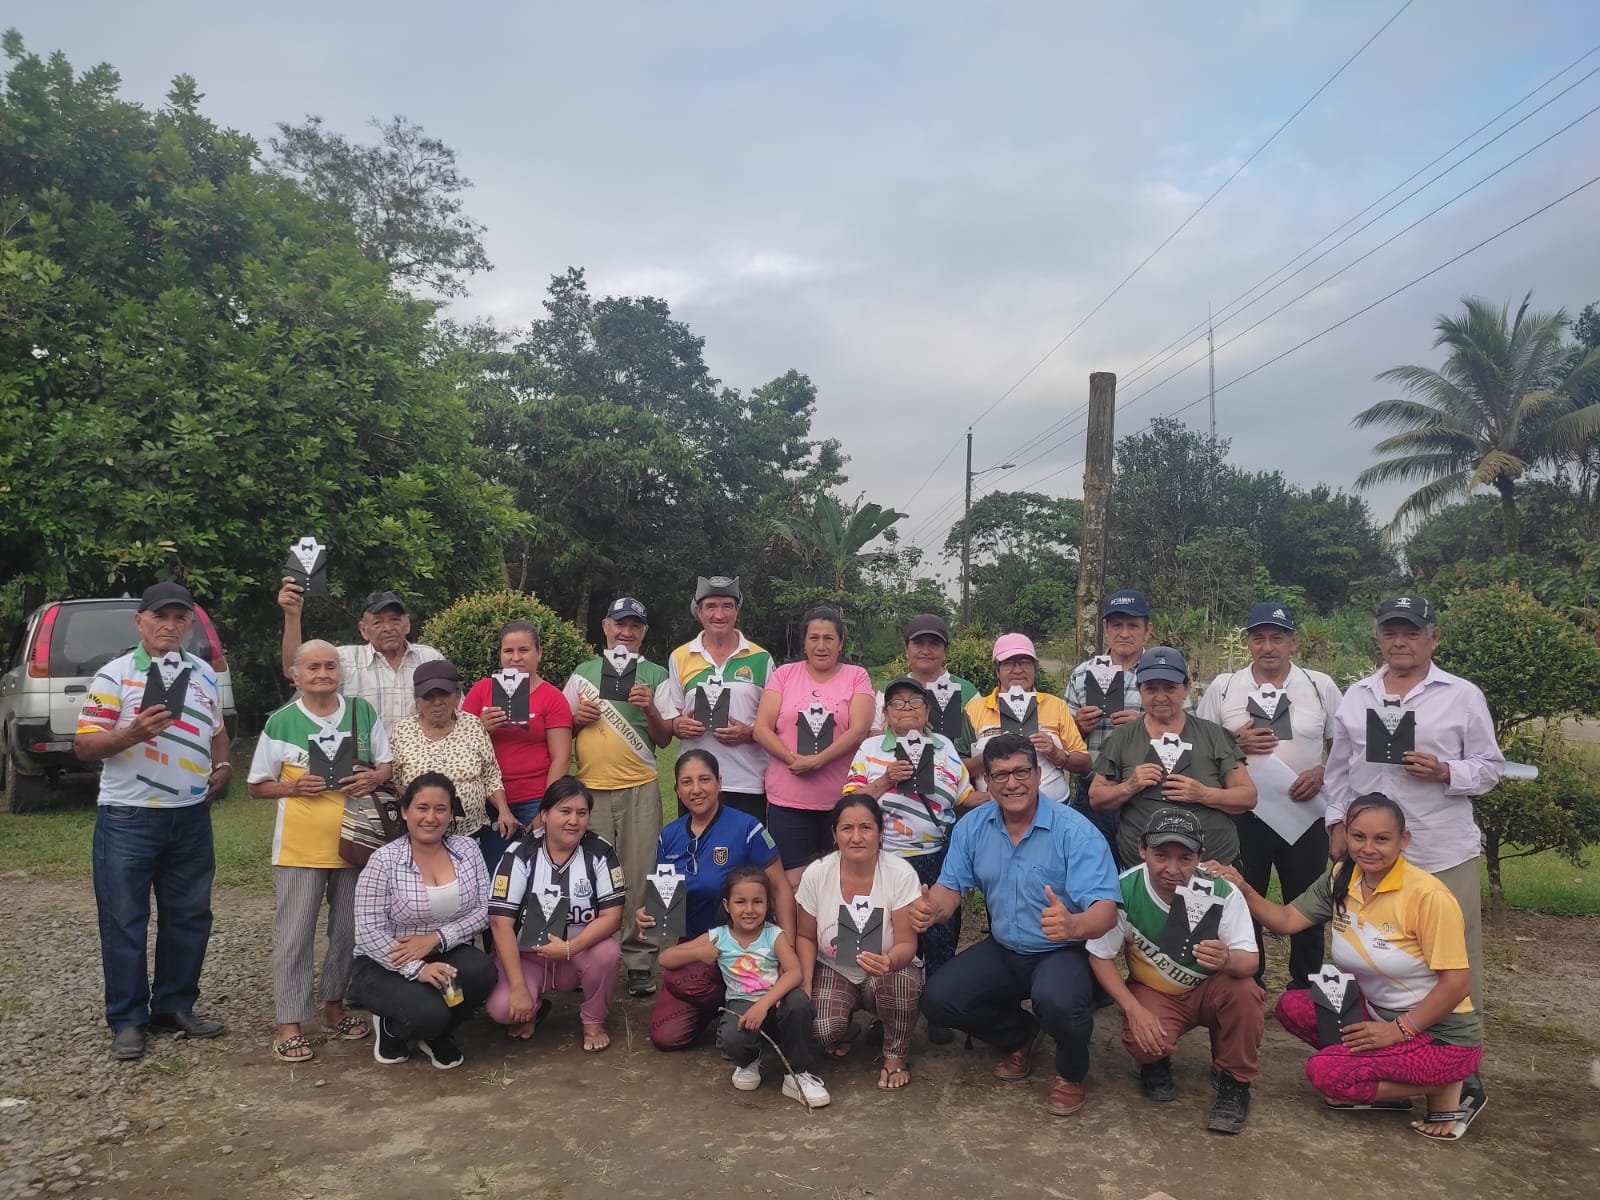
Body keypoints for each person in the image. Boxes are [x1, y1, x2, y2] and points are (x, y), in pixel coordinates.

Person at [1206, 793, 1484, 1141]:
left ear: (1404, 840)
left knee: (1328, 1075)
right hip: (1378, 1014)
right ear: (1345, 835)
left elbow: (1457, 984)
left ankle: (1445, 1083)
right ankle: (1388, 1078)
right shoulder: (1342, 876)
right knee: (1293, 1006)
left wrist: (1397, 1030)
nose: (1368, 848)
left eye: (1382, 839)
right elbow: (1287, 920)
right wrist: (1243, 888)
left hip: (1441, 1037)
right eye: (1358, 836)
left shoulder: (1429, 896)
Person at [912, 733, 1121, 1117]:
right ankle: (1020, 1034)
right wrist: (932, 909)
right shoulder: (972, 827)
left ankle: (1071, 1072)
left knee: (1059, 1002)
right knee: (939, 999)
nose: (1012, 784)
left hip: (1063, 950)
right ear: (987, 782)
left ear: (1038, 775)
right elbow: (949, 889)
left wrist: (1074, 925)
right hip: (1005, 947)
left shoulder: (1074, 830)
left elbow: (1106, 910)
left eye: (1022, 772)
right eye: (1000, 775)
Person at [1324, 594, 1503, 1020]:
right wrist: (1337, 824)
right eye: (1390, 633)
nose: (1400, 642)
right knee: (1361, 943)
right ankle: (1363, 1034)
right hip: (1369, 851)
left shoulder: (1462, 696)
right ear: (1378, 637)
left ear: (1433, 638)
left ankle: (1457, 1046)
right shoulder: (1357, 696)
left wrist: (1445, 771)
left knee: (1453, 952)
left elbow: (1491, 767)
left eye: (1412, 633)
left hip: (1439, 849)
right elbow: (1339, 770)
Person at [75, 582, 233, 1062]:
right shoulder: (115, 675)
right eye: (160, 616)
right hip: (129, 815)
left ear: (190, 625)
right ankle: (127, 1020)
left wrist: (223, 765)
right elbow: (84, 745)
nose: (170, 625)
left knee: (189, 915)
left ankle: (174, 1006)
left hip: (190, 815)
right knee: (125, 919)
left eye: (179, 618)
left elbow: (218, 730)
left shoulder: (202, 673)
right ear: (139, 621)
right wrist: (131, 733)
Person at [247, 640, 392, 1062]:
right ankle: (289, 1023)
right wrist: (292, 787)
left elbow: (386, 764)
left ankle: (334, 1007)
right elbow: (256, 786)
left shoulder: (362, 712)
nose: (323, 673)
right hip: (299, 848)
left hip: (356, 843)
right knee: (294, 934)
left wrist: (373, 778)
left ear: (340, 673)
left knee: (348, 930)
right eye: (313, 667)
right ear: (295, 675)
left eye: (330, 666)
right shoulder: (281, 722)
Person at [1086, 808, 1263, 1134]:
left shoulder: (1221, 890)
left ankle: (1235, 1081)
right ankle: (1154, 1062)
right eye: (1161, 855)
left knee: (1245, 992)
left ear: (1200, 856)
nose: (1172, 868)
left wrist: (1227, 959)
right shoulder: (1124, 889)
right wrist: (1133, 1009)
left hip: (1211, 988)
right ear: (1142, 849)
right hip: (1155, 991)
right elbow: (1100, 955)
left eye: (1185, 858)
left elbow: (1250, 961)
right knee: (1143, 1041)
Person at [1196, 602, 1343, 988]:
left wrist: (1323, 772)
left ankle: (1305, 988)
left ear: (1294, 640)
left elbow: (1344, 746)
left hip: (1304, 812)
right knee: (1243, 900)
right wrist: (1234, 742)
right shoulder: (1225, 686)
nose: (1267, 647)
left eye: (1277, 638)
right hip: (1244, 815)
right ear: (1247, 642)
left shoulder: (1319, 686)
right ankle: (1250, 984)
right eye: (1258, 638)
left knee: (1308, 903)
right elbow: (1199, 745)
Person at [845, 675, 978, 1043]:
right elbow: (850, 804)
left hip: (936, 856)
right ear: (886, 713)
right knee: (886, 935)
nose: (906, 708)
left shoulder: (945, 746)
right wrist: (886, 780)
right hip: (886, 859)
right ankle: (883, 1011)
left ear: (927, 711)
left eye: (914, 702)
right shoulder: (871, 748)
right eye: (897, 703)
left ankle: (938, 1008)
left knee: (940, 935)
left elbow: (964, 797)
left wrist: (1003, 797)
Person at [642, 750, 796, 1051]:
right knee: (666, 1036)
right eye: (686, 782)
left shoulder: (747, 828)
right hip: (700, 945)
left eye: (704, 780)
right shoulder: (669, 835)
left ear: (719, 783)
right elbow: (664, 901)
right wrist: (647, 915)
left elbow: (780, 888)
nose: (696, 789)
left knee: (692, 983)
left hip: (748, 944)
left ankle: (752, 1011)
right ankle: (729, 1007)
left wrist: (785, 948)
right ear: (676, 789)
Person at [347, 773, 498, 1069]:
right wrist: (418, 969)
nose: (431, 817)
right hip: (386, 961)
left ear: (451, 814)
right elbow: (367, 932)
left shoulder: (467, 849)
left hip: (443, 949)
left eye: (441, 809)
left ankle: (438, 1032)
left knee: (482, 973)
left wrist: (438, 939)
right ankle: (392, 1029)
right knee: (428, 1013)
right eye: (422, 808)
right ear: (405, 811)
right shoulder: (384, 861)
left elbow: (485, 909)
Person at [560, 597, 671, 998]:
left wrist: (651, 709)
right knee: (589, 877)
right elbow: (561, 730)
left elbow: (665, 737)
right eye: (619, 624)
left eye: (634, 626)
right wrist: (577, 720)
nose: (626, 632)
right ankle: (589, 956)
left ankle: (640, 961)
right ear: (606, 628)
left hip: (640, 785)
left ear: (644, 632)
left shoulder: (656, 674)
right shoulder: (583, 673)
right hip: (589, 789)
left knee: (641, 876)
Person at [660, 866, 828, 1107]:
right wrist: (697, 953)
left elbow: (795, 972)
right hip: (741, 1004)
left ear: (768, 904)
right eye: (740, 902)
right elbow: (665, 958)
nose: (749, 910)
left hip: (776, 1002)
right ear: (727, 906)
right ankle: (749, 1059)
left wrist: (763, 1004)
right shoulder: (718, 936)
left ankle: (797, 1073)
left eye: (758, 902)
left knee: (798, 1002)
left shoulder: (774, 935)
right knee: (731, 1036)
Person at [485, 776, 624, 1052]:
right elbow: (500, 924)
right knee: (503, 1008)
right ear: (545, 814)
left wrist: (571, 947)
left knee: (608, 952)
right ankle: (533, 1007)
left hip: (579, 953)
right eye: (565, 811)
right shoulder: (519, 854)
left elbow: (613, 917)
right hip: (527, 958)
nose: (574, 820)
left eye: (581, 813)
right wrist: (518, 988)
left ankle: (593, 1020)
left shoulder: (600, 851)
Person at [796, 795, 923, 1090]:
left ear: (880, 832)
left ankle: (895, 1056)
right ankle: (845, 1029)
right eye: (846, 828)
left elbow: (907, 941)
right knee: (822, 1029)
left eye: (865, 827)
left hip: (886, 969)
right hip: (834, 967)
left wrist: (890, 961)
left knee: (902, 984)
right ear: (834, 834)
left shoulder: (900, 873)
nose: (856, 837)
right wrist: (805, 980)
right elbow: (805, 935)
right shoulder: (817, 873)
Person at [1090, 646, 1257, 870]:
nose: (1160, 697)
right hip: (1143, 868)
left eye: (1170, 688)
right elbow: (1097, 798)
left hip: (1211, 866)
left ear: (1186, 688)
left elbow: (1247, 796)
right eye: (1151, 688)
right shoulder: (1123, 737)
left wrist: (1203, 794)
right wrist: (1130, 786)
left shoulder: (1213, 735)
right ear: (1140, 689)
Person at [1063, 588, 1190, 858]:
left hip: (1149, 793)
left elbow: (1190, 733)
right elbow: (1064, 739)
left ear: (1147, 630)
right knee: (1093, 866)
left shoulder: (1165, 673)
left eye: (1133, 625)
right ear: (1105, 628)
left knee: (1146, 868)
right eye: (1117, 625)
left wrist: (1144, 727)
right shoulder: (1082, 674)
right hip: (1093, 792)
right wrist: (1078, 725)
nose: (1124, 633)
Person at [753, 606, 876, 884]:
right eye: (814, 638)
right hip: (787, 802)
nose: (821, 646)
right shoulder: (784, 674)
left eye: (829, 638)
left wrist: (817, 761)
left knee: (840, 882)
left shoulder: (857, 676)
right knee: (792, 883)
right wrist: (793, 759)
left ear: (841, 643)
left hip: (842, 802)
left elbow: (859, 730)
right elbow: (761, 729)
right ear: (804, 642)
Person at [654, 576, 775, 822]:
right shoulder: (680, 657)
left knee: (746, 848)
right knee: (696, 846)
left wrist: (750, 733)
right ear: (699, 612)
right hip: (695, 783)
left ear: (737, 610)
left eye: (727, 606)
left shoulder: (762, 659)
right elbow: (672, 717)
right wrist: (678, 725)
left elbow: (775, 723)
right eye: (711, 606)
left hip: (747, 781)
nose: (719, 615)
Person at [461, 620, 574, 870]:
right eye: (508, 651)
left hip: (535, 797)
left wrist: (546, 808)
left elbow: (561, 757)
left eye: (524, 650)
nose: (515, 658)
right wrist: (481, 727)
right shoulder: (482, 691)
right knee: (494, 870)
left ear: (539, 653)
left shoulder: (552, 698)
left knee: (537, 869)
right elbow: (459, 745)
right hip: (488, 799)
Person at [390, 660, 517, 867]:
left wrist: (504, 810)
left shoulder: (474, 725)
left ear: (457, 696)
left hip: (472, 834)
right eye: (428, 696)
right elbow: (395, 783)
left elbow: (491, 775)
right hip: (422, 836)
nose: (437, 702)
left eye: (444, 694)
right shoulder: (402, 732)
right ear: (417, 700)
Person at [278, 584, 442, 734]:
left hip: (419, 755)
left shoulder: (429, 658)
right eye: (378, 622)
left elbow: (451, 705)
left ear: (407, 624)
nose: (388, 628)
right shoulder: (345, 659)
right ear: (363, 630)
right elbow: (294, 669)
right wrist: (292, 615)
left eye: (395, 620)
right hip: (363, 756)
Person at [966, 633, 1091, 803]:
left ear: (1034, 668)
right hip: (996, 809)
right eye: (1009, 663)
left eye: (1025, 662)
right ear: (997, 670)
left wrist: (1056, 753)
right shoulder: (974, 709)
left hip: (1054, 806)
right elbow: (956, 769)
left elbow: (1085, 764)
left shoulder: (1055, 705)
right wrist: (993, 753)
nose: (1018, 670)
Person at [870, 614, 977, 754]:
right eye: (918, 643)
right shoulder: (888, 691)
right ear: (906, 649)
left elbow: (980, 739)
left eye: (934, 644)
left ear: (946, 650)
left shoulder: (967, 690)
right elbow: (874, 736)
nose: (926, 651)